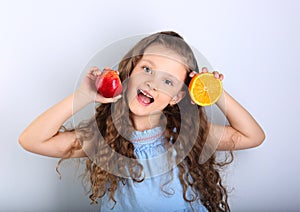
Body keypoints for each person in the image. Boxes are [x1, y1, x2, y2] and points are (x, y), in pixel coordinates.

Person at [19, 31, 265, 212]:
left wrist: (215, 91)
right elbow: (31, 140)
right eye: (147, 69)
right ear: (130, 73)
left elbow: (252, 136)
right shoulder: (102, 138)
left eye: (168, 81)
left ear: (177, 97)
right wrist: (83, 96)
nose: (152, 83)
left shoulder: (186, 136)